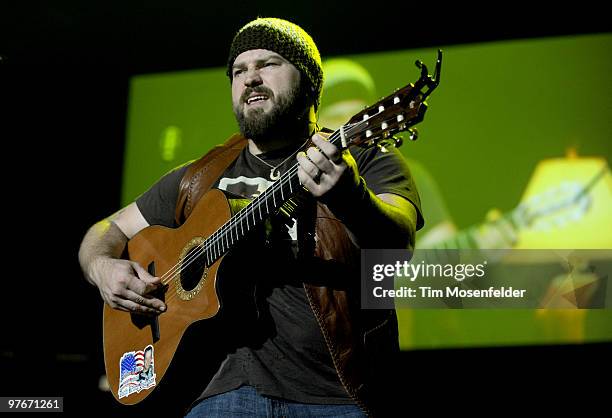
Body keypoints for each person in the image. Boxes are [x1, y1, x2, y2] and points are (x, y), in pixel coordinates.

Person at [78, 17, 423, 417]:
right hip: (215, 398)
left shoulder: (360, 160)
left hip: (335, 397)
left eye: (268, 64)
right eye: (239, 71)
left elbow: (397, 247)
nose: (251, 79)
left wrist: (350, 196)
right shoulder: (200, 176)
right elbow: (108, 229)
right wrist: (102, 266)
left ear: (310, 81)